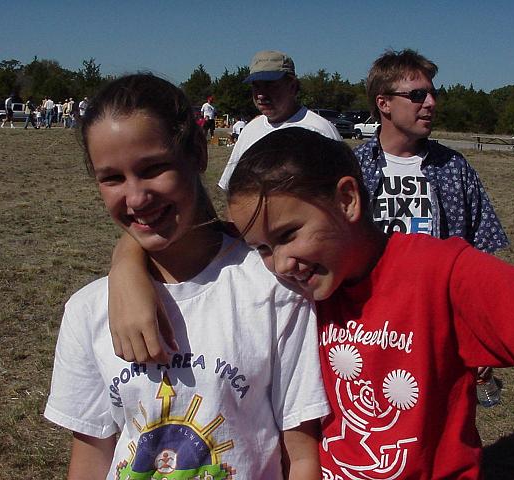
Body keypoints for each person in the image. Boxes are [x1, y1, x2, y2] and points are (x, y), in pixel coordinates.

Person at [225, 127, 514, 479]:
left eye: (288, 235)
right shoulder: (294, 295)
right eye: (263, 249)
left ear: (347, 200)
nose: (281, 264)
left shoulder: (444, 274)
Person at [43, 74, 329, 479]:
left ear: (197, 152)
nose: (137, 197)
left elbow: (300, 455)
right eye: (112, 178)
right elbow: (91, 456)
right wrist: (125, 263)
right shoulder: (87, 310)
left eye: (154, 168)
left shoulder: (276, 290)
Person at [358, 49, 510, 396]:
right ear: (384, 103)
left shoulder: (453, 168)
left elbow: (480, 257)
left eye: (432, 94)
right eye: (416, 95)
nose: (430, 103)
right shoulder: (353, 167)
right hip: (367, 321)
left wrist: (479, 326)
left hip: (437, 323)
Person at [217, 49, 341, 190]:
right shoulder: (250, 131)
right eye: (256, 86)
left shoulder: (320, 130)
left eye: (270, 85)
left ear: (292, 86)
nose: (261, 95)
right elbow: (230, 188)